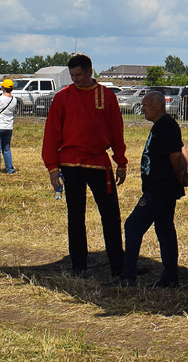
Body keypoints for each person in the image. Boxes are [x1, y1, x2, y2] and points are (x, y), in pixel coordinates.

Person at [41, 54, 126, 278]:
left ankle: (118, 266)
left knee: (111, 215)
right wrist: (52, 167)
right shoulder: (63, 97)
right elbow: (51, 133)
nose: (75, 79)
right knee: (76, 216)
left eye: (79, 75)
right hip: (71, 163)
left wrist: (121, 161)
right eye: (72, 76)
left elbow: (117, 130)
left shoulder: (107, 96)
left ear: (90, 72)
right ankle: (79, 265)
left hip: (99, 163)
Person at [115, 90, 188, 287]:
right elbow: (182, 148)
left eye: (145, 105)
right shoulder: (162, 126)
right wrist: (181, 173)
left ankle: (127, 275)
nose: (142, 109)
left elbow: (176, 154)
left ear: (158, 105)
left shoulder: (166, 125)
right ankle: (170, 277)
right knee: (164, 230)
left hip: (160, 188)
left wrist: (180, 175)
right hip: (162, 187)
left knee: (133, 226)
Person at [0, 78, 20, 175]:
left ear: (3, 87)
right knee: (6, 149)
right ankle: (10, 170)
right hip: (8, 127)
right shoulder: (14, 100)